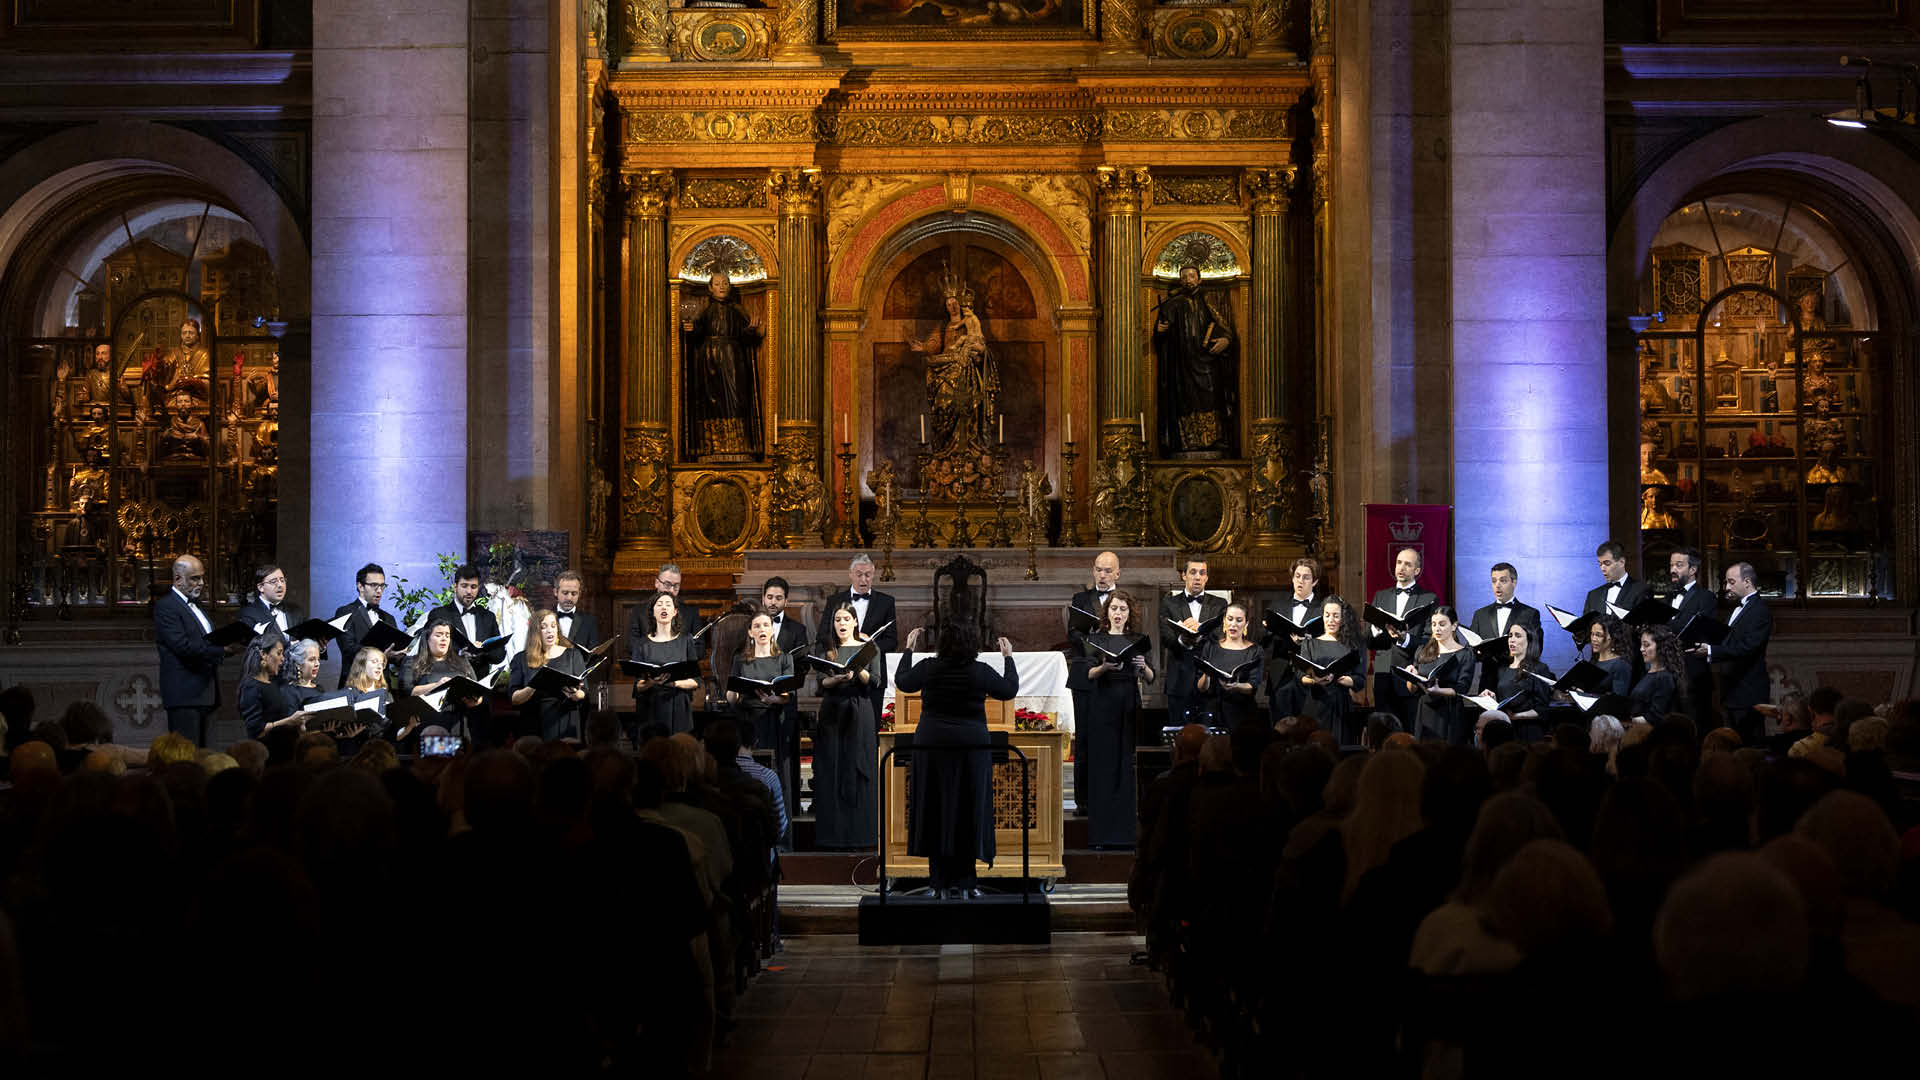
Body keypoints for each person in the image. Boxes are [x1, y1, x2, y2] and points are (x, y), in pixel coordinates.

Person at [894, 618, 1018, 898]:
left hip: (932, 744)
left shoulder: (929, 668)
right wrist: (1008, 658)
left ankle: (938, 884)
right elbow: (1009, 690)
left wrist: (908, 650)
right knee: (969, 809)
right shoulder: (979, 671)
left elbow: (903, 682)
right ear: (973, 644)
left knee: (935, 809)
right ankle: (967, 883)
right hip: (971, 747)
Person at [1067, 589, 1155, 848]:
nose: (1118, 613)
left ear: (1130, 614)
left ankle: (1125, 834)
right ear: (1108, 613)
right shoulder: (1096, 639)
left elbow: (1150, 678)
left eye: (1123, 609)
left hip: (1127, 703)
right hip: (1103, 703)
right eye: (1114, 609)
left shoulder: (1137, 639)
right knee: (1103, 767)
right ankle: (1102, 834)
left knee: (1125, 766)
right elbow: (1088, 674)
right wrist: (1103, 667)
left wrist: (1143, 667)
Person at [812, 602, 881, 850]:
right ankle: (833, 836)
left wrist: (857, 671)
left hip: (859, 711)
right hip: (832, 712)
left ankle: (862, 835)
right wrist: (837, 678)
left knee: (858, 766)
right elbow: (821, 684)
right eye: (837, 620)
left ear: (855, 622)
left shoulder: (869, 648)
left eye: (845, 619)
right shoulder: (827, 651)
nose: (841, 624)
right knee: (832, 766)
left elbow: (875, 681)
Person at [1152, 263, 1239, 455]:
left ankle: (1214, 439)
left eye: (1191, 276)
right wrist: (1159, 332)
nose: (1187, 280)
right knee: (1186, 400)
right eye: (1183, 277)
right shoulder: (1172, 303)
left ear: (1199, 279)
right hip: (1182, 364)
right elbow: (1162, 334)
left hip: (1208, 360)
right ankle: (1187, 442)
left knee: (1211, 396)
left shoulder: (1210, 300)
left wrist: (1225, 339)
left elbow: (1225, 326)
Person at [155, 554, 240, 746]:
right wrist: (222, 650)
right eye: (195, 578)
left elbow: (206, 639)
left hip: (206, 692)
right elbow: (182, 646)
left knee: (206, 756)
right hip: (184, 695)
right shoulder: (166, 606)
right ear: (177, 579)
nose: (201, 583)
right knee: (185, 758)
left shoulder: (198, 605)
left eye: (202, 577)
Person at [682, 271, 764, 458]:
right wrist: (689, 329)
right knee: (713, 401)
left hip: (734, 359)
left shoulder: (737, 310)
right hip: (709, 360)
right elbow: (695, 336)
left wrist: (751, 329)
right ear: (710, 288)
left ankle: (737, 444)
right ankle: (713, 446)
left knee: (737, 400)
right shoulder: (704, 311)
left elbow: (746, 338)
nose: (722, 286)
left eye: (725, 283)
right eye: (718, 284)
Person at [1692, 562, 1772, 742]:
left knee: (1751, 747)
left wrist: (1711, 650)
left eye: (1731, 582)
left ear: (1747, 582)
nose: (1727, 587)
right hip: (1731, 691)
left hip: (1748, 691)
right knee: (1733, 745)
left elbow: (1748, 647)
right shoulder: (1736, 609)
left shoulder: (1760, 611)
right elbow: (1728, 641)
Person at [1066, 550, 1122, 804]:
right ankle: (1083, 801)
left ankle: (1111, 798)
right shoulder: (1080, 598)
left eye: (1108, 570)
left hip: (1116, 679)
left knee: (1112, 740)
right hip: (1085, 676)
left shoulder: (1125, 601)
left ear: (1118, 573)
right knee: (1085, 741)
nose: (1102, 575)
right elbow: (1073, 634)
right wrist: (1095, 642)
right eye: (1099, 569)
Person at [816, 554, 897, 725]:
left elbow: (892, 640)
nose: (863, 579)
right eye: (859, 574)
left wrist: (868, 644)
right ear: (850, 574)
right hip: (838, 677)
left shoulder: (886, 602)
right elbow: (823, 635)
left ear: (873, 575)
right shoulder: (834, 601)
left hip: (871, 678)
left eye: (868, 575)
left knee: (869, 731)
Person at [1370, 547, 1437, 730]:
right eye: (1399, 562)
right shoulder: (1380, 596)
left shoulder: (1428, 599)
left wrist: (1405, 639)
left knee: (1408, 731)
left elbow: (1430, 641)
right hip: (1383, 674)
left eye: (1408, 564)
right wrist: (1375, 630)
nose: (1401, 567)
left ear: (1417, 570)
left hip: (1408, 673)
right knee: (1382, 731)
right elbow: (1370, 641)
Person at [758, 576, 809, 816]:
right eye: (770, 597)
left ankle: (788, 817)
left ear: (786, 600)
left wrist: (782, 682)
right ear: (763, 598)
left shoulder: (797, 630)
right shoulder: (753, 626)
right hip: (757, 704)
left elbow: (803, 667)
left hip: (786, 704)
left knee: (785, 761)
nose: (773, 602)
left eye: (779, 598)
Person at [1158, 555, 1228, 726]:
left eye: (1202, 573)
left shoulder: (1219, 603)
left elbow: (1221, 637)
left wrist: (1199, 631)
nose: (1197, 577)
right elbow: (1166, 638)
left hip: (1209, 679)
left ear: (1207, 577)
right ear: (1184, 575)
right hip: (1179, 678)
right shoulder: (1169, 603)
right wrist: (1183, 638)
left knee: (1210, 739)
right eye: (1193, 572)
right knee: (1178, 737)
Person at [400, 618, 490, 744]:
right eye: (438, 635)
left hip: (459, 721)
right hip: (428, 724)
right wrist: (437, 685)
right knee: (439, 760)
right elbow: (407, 691)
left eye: (447, 635)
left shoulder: (462, 662)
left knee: (460, 759)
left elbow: (476, 689)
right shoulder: (412, 662)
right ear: (427, 638)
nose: (444, 639)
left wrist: (474, 699)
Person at [1292, 595, 1366, 743]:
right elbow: (1300, 675)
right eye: (1327, 615)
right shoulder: (1310, 643)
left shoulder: (1353, 645)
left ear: (1343, 619)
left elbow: (1360, 680)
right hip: (1315, 703)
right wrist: (1314, 680)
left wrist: (1341, 679)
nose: (1330, 620)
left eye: (1335, 616)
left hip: (1340, 706)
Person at [509, 609, 589, 742]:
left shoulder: (573, 655)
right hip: (532, 725)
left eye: (553, 625)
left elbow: (584, 692)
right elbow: (514, 698)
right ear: (535, 632)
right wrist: (534, 685)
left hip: (565, 720)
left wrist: (575, 694)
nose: (550, 630)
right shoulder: (521, 658)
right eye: (543, 627)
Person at [632, 591, 700, 736]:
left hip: (679, 706)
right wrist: (652, 682)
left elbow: (696, 681)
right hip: (651, 706)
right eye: (659, 604)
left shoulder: (686, 640)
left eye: (668, 605)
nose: (664, 608)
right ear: (653, 612)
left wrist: (674, 683)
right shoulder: (641, 644)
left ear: (675, 611)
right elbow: (638, 686)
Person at [726, 611, 794, 757]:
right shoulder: (740, 660)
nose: (762, 629)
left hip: (773, 717)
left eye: (766, 625)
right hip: (747, 718)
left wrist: (771, 699)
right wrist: (732, 692)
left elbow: (788, 696)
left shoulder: (785, 659)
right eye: (757, 626)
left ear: (772, 630)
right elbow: (732, 698)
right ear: (750, 632)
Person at [1467, 562, 1542, 693]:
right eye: (1494, 581)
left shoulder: (1530, 613)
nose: (1497, 585)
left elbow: (1537, 648)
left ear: (1514, 582)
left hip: (1518, 682)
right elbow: (1471, 651)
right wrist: (1479, 652)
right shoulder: (1480, 614)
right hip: (1488, 683)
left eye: (1503, 580)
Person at [1405, 605, 1475, 745]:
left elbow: (1462, 688)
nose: (1437, 629)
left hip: (1449, 711)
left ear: (1454, 626)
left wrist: (1439, 691)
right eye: (1434, 624)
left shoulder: (1465, 654)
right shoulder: (1422, 651)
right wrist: (1410, 676)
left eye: (1442, 624)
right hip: (1425, 709)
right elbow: (1412, 690)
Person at [1265, 557, 1322, 723]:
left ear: (1315, 581)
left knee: (1305, 726)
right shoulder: (1277, 606)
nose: (1300, 581)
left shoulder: (1322, 609)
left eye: (1306, 577)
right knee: (1279, 727)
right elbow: (1266, 643)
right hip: (1280, 674)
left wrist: (1305, 643)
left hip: (1308, 674)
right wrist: (1268, 629)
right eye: (1297, 576)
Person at [1667, 548, 1718, 732]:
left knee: (1695, 729)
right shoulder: (1667, 597)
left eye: (1679, 565)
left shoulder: (1706, 597)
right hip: (1668, 673)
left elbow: (1699, 631)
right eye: (1671, 565)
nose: (1673, 569)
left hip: (1693, 675)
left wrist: (1667, 629)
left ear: (1693, 569)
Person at [1195, 601, 1262, 730]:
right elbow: (1201, 687)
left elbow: (1252, 686)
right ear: (1224, 622)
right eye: (1230, 619)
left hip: (1242, 712)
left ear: (1246, 624)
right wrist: (1207, 674)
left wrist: (1236, 686)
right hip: (1213, 712)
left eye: (1239, 620)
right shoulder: (1211, 647)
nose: (1233, 624)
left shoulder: (1255, 650)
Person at [332, 563, 400, 688]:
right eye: (374, 585)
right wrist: (381, 654)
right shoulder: (345, 612)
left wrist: (400, 654)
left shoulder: (389, 618)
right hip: (355, 685)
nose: (379, 590)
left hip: (383, 687)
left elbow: (394, 655)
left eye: (382, 586)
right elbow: (348, 649)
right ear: (360, 586)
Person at [629, 564, 706, 660]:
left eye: (676, 586)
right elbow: (633, 646)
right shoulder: (638, 611)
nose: (672, 590)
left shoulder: (691, 612)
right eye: (667, 584)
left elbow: (700, 650)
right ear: (657, 583)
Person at [238, 630, 300, 740]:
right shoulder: (251, 686)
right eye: (279, 653)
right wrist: (290, 721)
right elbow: (256, 730)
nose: (283, 658)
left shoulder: (275, 683)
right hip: (266, 751)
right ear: (263, 654)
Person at [429, 564, 501, 658]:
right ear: (455, 587)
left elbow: (499, 655)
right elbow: (430, 650)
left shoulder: (488, 617)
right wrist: (459, 654)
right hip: (450, 672)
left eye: (473, 587)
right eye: (464, 586)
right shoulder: (439, 615)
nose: (469, 591)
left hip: (481, 672)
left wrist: (483, 652)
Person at [1492, 622, 1554, 726]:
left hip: (1528, 729)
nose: (1512, 640)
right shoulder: (1502, 669)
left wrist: (1516, 716)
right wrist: (1492, 699)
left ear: (1529, 640)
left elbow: (1542, 709)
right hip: (1505, 728)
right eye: (1510, 636)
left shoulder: (1539, 668)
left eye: (1518, 636)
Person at [1631, 626, 1688, 723]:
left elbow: (1655, 717)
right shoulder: (1648, 672)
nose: (1641, 649)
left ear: (1661, 647)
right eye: (1641, 645)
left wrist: (1625, 721)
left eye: (1646, 645)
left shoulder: (1664, 677)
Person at [1583, 539, 1651, 619]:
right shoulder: (1593, 595)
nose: (1602, 568)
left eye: (1607, 563)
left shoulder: (1641, 590)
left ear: (1622, 562)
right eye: (1600, 564)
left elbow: (1643, 625)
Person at [237, 563, 301, 636]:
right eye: (273, 582)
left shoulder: (296, 610)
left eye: (282, 580)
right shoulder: (248, 614)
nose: (280, 585)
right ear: (261, 587)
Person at [1588, 614, 1633, 696]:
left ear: (1612, 637)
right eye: (1592, 634)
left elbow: (1618, 700)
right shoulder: (1594, 660)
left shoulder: (1620, 665)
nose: (1593, 639)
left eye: (1598, 635)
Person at [553, 569, 599, 648]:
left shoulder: (589, 621)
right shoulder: (542, 618)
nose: (569, 598)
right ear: (555, 592)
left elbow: (593, 654)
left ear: (579, 594)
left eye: (574, 593)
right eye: (565, 593)